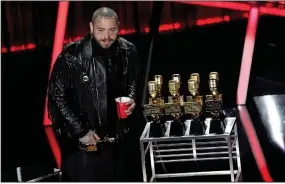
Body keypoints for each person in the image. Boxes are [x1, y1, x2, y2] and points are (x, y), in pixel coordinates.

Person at [47, 7, 140, 182]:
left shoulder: (128, 51)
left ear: (118, 27)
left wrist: (131, 99)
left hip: (118, 142)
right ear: (91, 27)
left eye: (112, 30)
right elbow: (57, 97)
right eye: (101, 30)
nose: (107, 36)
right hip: (84, 147)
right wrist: (80, 131)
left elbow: (133, 81)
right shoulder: (72, 57)